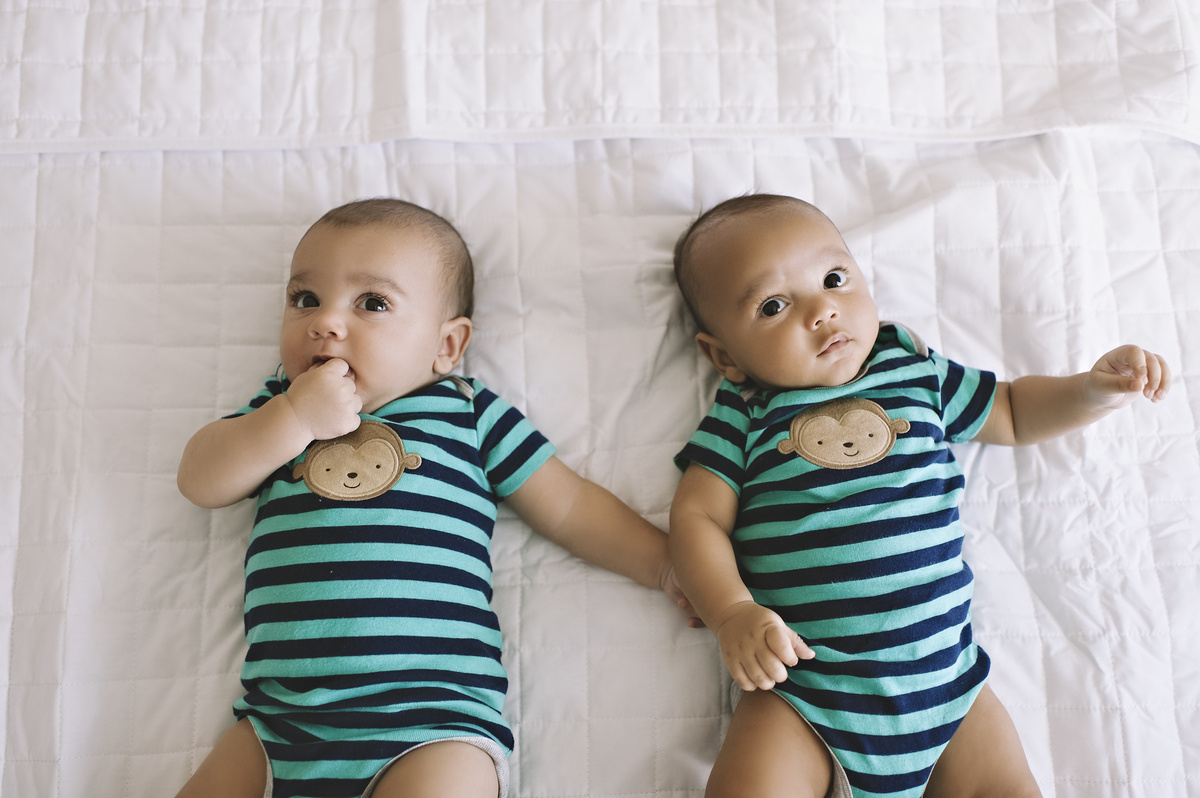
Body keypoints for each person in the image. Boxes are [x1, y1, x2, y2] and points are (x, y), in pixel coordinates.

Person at [175, 198, 691, 798]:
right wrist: (292, 417)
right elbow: (201, 479)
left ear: (447, 345)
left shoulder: (467, 412)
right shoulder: (278, 410)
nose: (326, 323)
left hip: (434, 720)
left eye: (372, 303)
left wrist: (664, 564)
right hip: (279, 721)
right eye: (305, 299)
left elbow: (570, 505)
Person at [667, 194, 1172, 798]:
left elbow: (1009, 410)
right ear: (724, 356)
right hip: (804, 685)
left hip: (943, 680)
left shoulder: (910, 366)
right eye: (773, 306)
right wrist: (730, 612)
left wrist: (1091, 391)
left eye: (833, 279)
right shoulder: (746, 411)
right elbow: (696, 516)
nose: (822, 311)